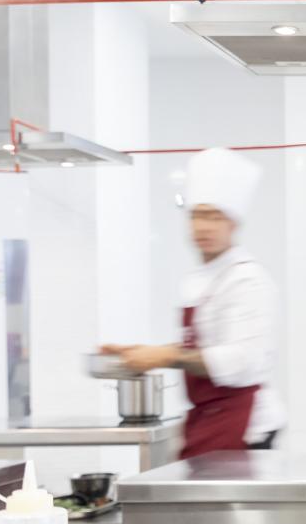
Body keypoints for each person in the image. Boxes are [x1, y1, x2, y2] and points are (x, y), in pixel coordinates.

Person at [101, 148, 285, 458]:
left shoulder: (247, 279)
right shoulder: (201, 278)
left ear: (233, 224)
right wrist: (141, 353)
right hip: (209, 416)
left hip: (244, 422)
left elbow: (243, 361)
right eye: (198, 215)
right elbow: (203, 347)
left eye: (215, 217)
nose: (204, 227)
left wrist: (164, 356)